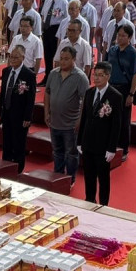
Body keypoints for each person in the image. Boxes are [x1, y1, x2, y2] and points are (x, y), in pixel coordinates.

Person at [79, 62, 123, 205]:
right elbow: (84, 117)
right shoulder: (89, 93)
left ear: (108, 76)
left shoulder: (115, 96)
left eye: (100, 75)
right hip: (88, 143)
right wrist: (80, 141)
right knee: (89, 176)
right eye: (95, 75)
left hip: (103, 146)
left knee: (103, 178)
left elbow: (116, 125)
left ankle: (104, 205)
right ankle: (89, 200)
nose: (96, 78)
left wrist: (111, 148)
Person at [46, 45, 89, 184]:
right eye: (61, 58)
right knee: (57, 151)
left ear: (74, 59)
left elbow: (85, 101)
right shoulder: (53, 73)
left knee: (71, 153)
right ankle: (58, 176)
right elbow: (47, 93)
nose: (63, 62)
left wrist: (79, 121)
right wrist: (46, 112)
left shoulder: (81, 77)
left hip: (71, 123)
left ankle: (70, 178)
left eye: (66, 59)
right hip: (55, 121)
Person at [0, 45, 36, 172]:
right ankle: (6, 165)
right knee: (6, 141)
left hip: (20, 115)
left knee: (19, 143)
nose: (13, 59)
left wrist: (28, 117)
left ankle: (18, 169)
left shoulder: (28, 75)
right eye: (11, 56)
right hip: (7, 112)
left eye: (16, 57)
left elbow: (31, 98)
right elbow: (2, 92)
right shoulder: (6, 71)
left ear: (23, 58)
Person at [106, 24, 136, 159]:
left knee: (124, 120)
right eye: (118, 35)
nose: (120, 38)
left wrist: (131, 94)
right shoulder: (113, 50)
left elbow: (135, 75)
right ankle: (111, 145)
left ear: (130, 37)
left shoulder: (133, 53)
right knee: (109, 116)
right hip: (111, 86)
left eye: (123, 36)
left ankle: (124, 149)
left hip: (125, 88)